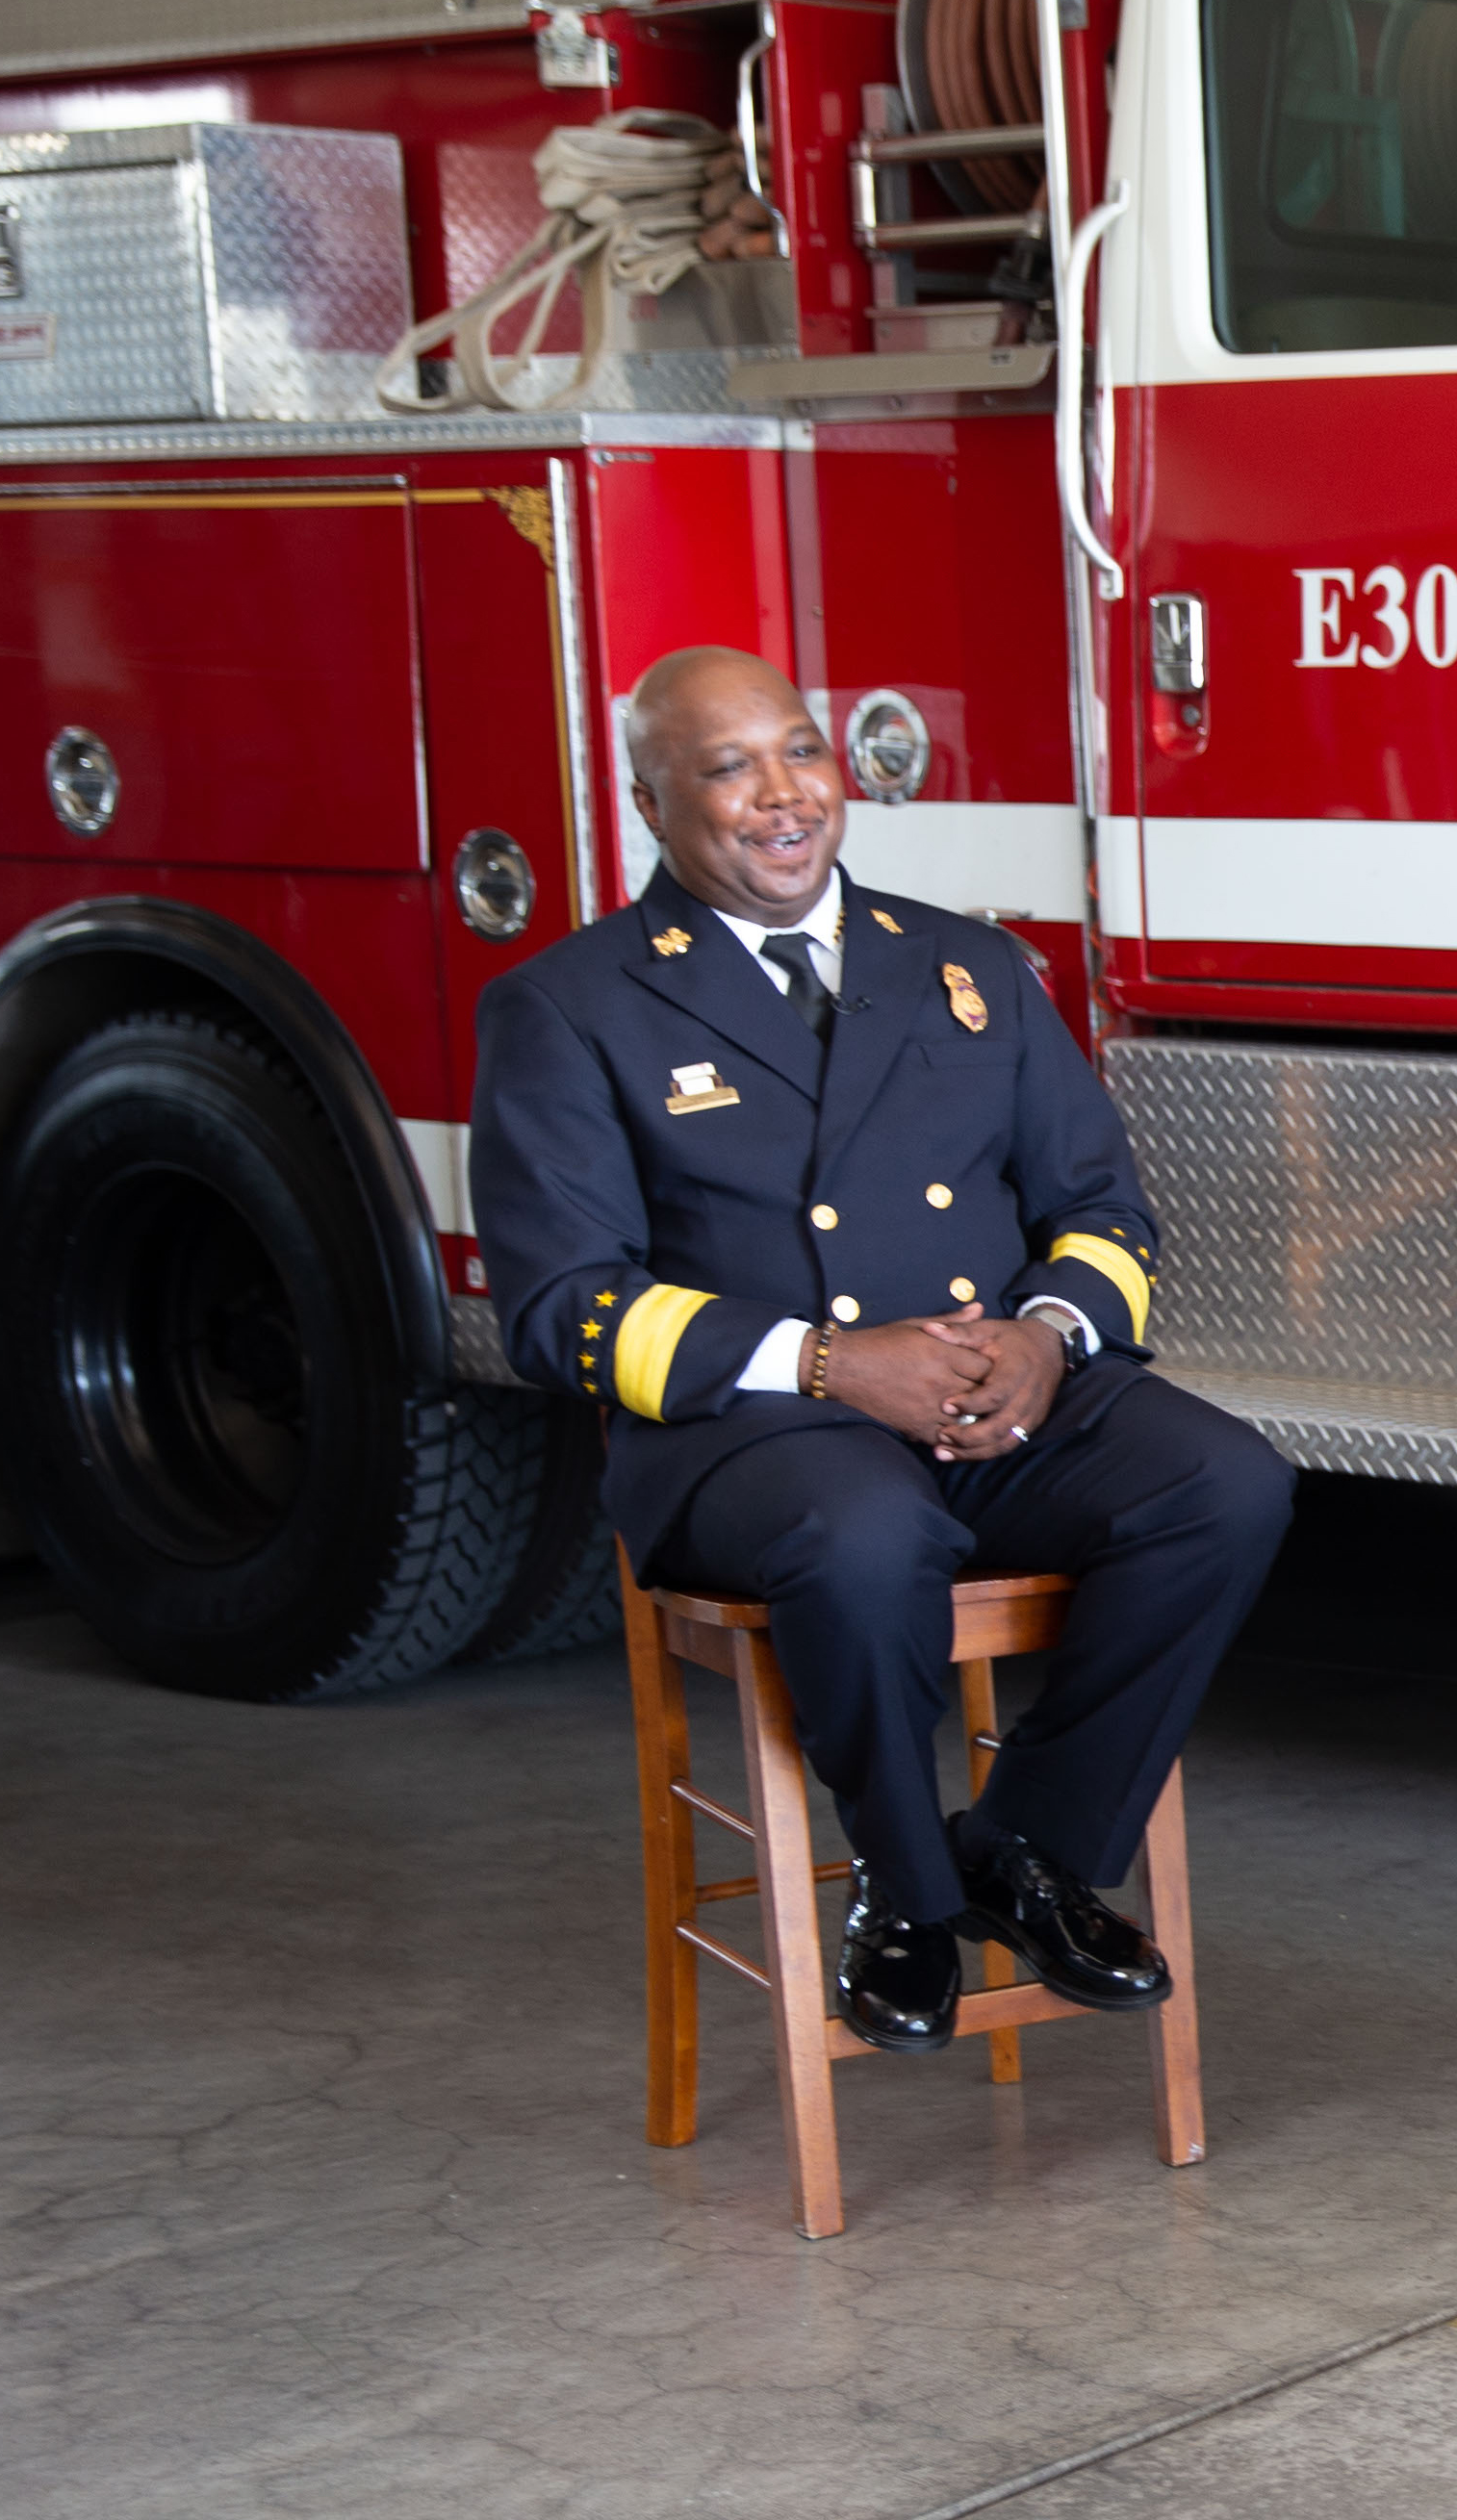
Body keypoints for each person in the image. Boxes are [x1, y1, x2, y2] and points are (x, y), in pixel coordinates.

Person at [474, 648, 1295, 2054]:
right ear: (652, 802)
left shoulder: (967, 964)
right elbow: (565, 1308)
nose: (783, 796)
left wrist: (1047, 1338)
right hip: (750, 1439)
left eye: (801, 751)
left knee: (1227, 1483)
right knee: (867, 1536)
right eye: (730, 769)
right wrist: (827, 1364)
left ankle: (1023, 1849)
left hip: (992, 1401)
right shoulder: (574, 1006)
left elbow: (1102, 1209)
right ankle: (906, 1897)